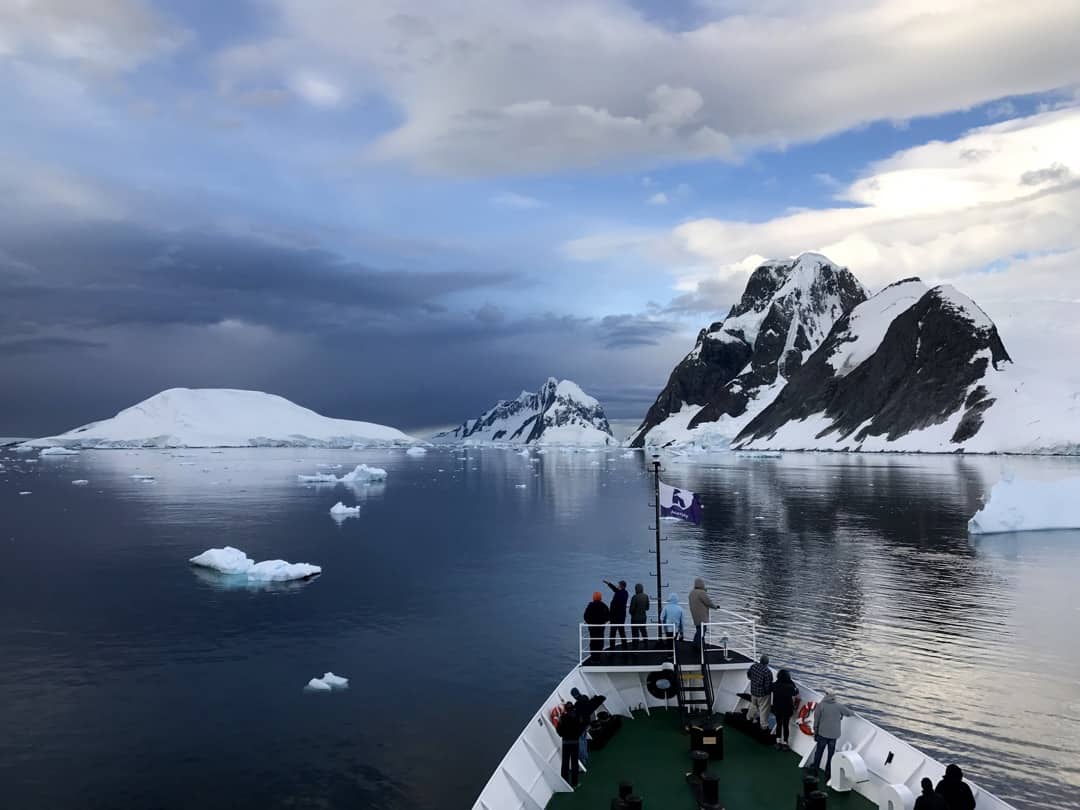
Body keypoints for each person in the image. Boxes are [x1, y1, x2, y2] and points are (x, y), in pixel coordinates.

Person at [810, 692, 854, 780]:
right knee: (831, 754)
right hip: (834, 736)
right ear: (834, 698)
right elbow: (849, 713)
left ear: (825, 697)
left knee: (819, 752)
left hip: (822, 734)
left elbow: (816, 720)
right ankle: (828, 772)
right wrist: (850, 709)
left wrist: (816, 732)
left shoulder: (821, 706)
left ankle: (814, 770)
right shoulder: (839, 706)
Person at [570, 687, 606, 766]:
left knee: (581, 741)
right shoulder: (585, 698)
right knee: (584, 739)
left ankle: (583, 759)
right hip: (586, 723)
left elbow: (575, 714)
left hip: (581, 726)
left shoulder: (577, 705)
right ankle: (585, 754)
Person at [556, 701, 585, 787]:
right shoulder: (577, 717)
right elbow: (581, 728)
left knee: (565, 763)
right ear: (572, 708)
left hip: (566, 743)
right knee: (574, 763)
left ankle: (565, 783)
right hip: (575, 742)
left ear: (565, 709)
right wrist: (577, 735)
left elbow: (559, 730)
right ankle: (575, 783)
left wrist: (562, 735)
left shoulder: (562, 718)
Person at [771, 668, 799, 749]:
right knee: (785, 725)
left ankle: (778, 742)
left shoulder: (775, 685)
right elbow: (796, 691)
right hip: (787, 709)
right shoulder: (790, 687)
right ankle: (785, 743)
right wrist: (791, 682)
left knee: (779, 724)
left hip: (777, 708)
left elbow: (771, 687)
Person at [745, 654, 774, 732]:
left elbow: (748, 675)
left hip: (753, 691)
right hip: (762, 694)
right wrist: (768, 693)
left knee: (753, 705)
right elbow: (768, 686)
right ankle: (763, 726)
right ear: (767, 663)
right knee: (764, 709)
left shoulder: (753, 666)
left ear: (760, 660)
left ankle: (749, 718)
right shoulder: (767, 672)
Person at [688, 577, 719, 646]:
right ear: (702, 584)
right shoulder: (701, 593)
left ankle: (700, 645)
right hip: (702, 617)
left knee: (699, 631)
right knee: (701, 632)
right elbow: (708, 602)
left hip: (695, 616)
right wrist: (715, 607)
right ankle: (697, 647)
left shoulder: (691, 593)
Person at [604, 579, 629, 647]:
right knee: (621, 632)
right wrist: (608, 583)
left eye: (618, 585)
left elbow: (615, 606)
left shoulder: (619, 594)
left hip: (615, 617)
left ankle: (612, 650)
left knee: (613, 633)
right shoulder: (625, 593)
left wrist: (609, 615)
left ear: (621, 586)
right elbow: (614, 588)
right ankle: (625, 648)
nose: (617, 586)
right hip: (621, 617)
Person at [629, 583, 650, 649]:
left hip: (635, 618)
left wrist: (632, 613)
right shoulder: (646, 596)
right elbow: (647, 608)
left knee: (635, 633)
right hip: (643, 617)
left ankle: (635, 648)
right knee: (643, 631)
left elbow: (631, 610)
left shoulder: (634, 597)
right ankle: (646, 646)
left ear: (636, 589)